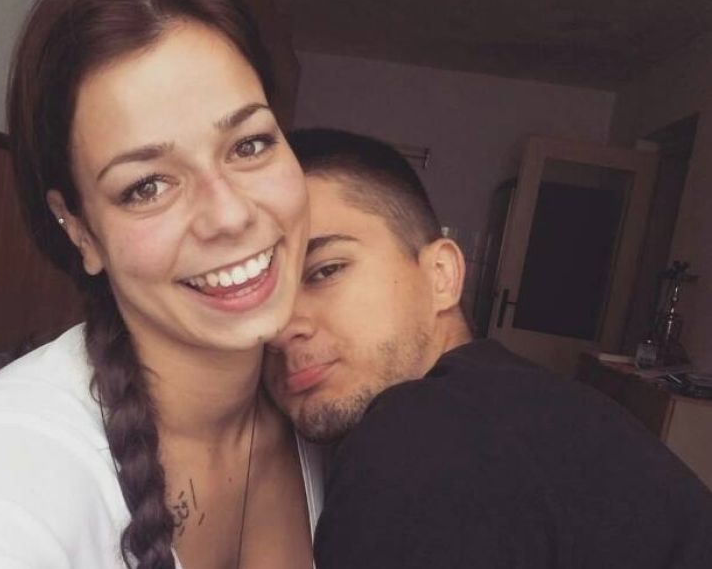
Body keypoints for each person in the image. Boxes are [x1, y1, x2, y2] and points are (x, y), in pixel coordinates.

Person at [0, 0, 321, 569]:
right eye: (146, 186)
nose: (229, 215)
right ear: (80, 230)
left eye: (249, 144)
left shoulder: (326, 398)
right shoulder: (16, 458)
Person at [264, 127, 712, 569]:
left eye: (325, 271)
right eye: (258, 301)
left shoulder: (424, 434)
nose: (280, 330)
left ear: (441, 275)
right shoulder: (519, 404)